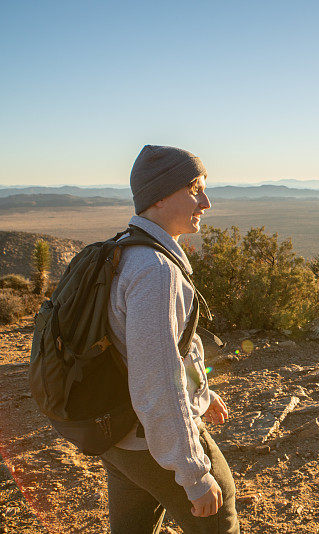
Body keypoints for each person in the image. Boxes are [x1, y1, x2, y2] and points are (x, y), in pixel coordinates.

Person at [100, 145, 240, 533]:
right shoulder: (156, 270)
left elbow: (168, 349)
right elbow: (156, 379)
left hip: (120, 436)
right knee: (219, 517)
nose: (206, 201)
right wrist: (193, 473)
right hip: (151, 442)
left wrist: (202, 392)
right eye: (195, 188)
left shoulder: (125, 250)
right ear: (159, 196)